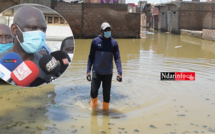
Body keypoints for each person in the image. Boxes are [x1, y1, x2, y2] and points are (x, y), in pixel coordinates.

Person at [0, 5, 48, 86]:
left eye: (43, 29)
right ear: (15, 30)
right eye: (32, 28)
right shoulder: (2, 61)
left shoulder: (45, 67)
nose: (39, 34)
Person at [86, 22, 122, 111]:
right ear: (101, 31)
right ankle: (94, 108)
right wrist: (88, 71)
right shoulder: (95, 42)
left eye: (109, 29)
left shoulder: (114, 43)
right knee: (93, 92)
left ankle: (105, 112)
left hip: (108, 73)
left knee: (106, 94)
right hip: (96, 72)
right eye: (106, 30)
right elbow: (90, 57)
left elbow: (117, 58)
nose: (108, 31)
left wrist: (119, 72)